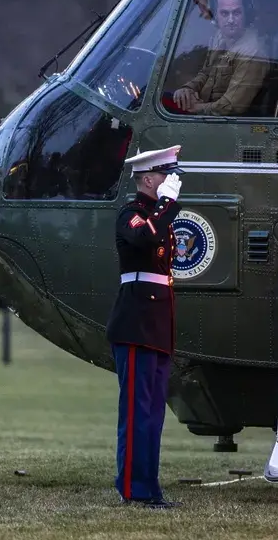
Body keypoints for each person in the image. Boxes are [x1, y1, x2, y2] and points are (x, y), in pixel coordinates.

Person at [107, 144, 185, 508]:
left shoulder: (154, 214)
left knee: (153, 413)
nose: (172, 180)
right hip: (136, 322)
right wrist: (167, 205)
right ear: (149, 179)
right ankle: (132, 488)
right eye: (166, 174)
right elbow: (145, 237)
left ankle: (150, 488)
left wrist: (164, 207)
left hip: (156, 324)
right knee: (137, 411)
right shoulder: (132, 214)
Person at [169, 0, 269, 116]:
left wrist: (196, 108)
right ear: (216, 16)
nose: (231, 20)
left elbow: (231, 106)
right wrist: (188, 89)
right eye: (224, 13)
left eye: (236, 13)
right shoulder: (219, 38)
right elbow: (206, 72)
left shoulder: (252, 53)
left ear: (246, 15)